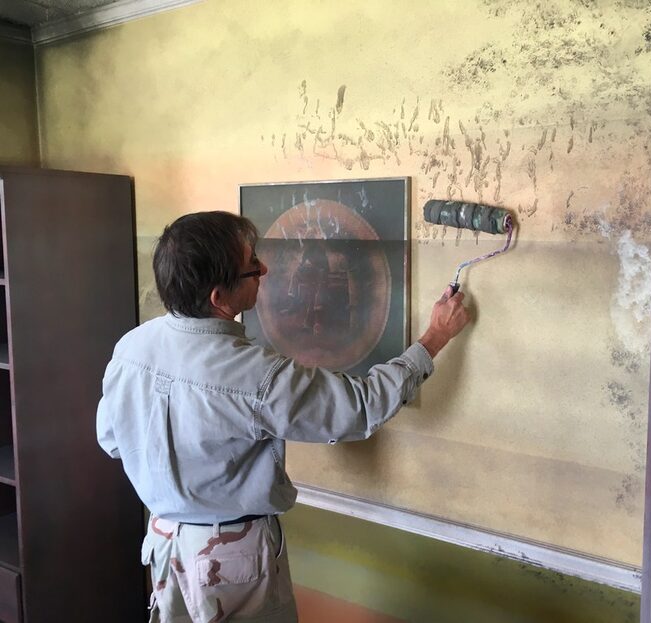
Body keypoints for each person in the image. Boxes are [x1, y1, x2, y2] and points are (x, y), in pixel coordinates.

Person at [96, 210, 470, 623]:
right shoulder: (255, 375)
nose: (265, 268)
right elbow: (362, 407)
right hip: (231, 561)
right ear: (219, 298)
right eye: (251, 266)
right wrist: (435, 336)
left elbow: (111, 440)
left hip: (164, 543)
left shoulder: (130, 348)